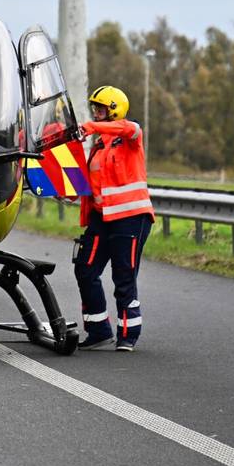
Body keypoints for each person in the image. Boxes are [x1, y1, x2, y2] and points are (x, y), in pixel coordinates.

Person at [74, 85, 155, 352]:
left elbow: (126, 128)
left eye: (100, 108)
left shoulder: (130, 135)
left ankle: (129, 335)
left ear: (114, 110)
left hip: (130, 218)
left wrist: (92, 127)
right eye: (94, 108)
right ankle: (98, 330)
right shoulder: (97, 147)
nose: (95, 113)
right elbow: (94, 184)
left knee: (123, 277)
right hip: (102, 218)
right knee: (85, 269)